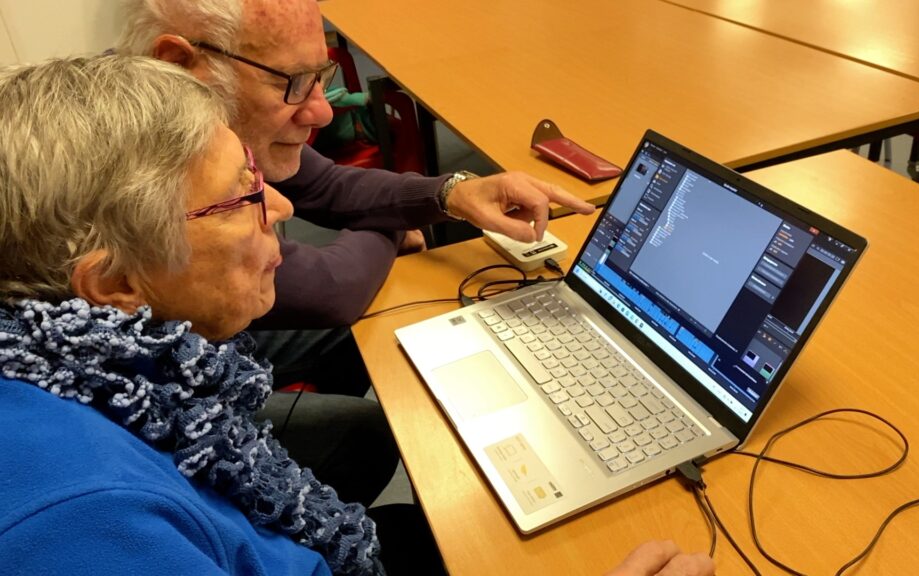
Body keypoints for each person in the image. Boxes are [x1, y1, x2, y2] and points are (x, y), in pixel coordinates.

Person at [0, 55, 710, 576]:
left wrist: (445, 197)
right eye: (242, 197)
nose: (279, 209)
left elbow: (323, 184)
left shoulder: (120, 371)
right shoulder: (86, 521)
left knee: (403, 504)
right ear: (116, 282)